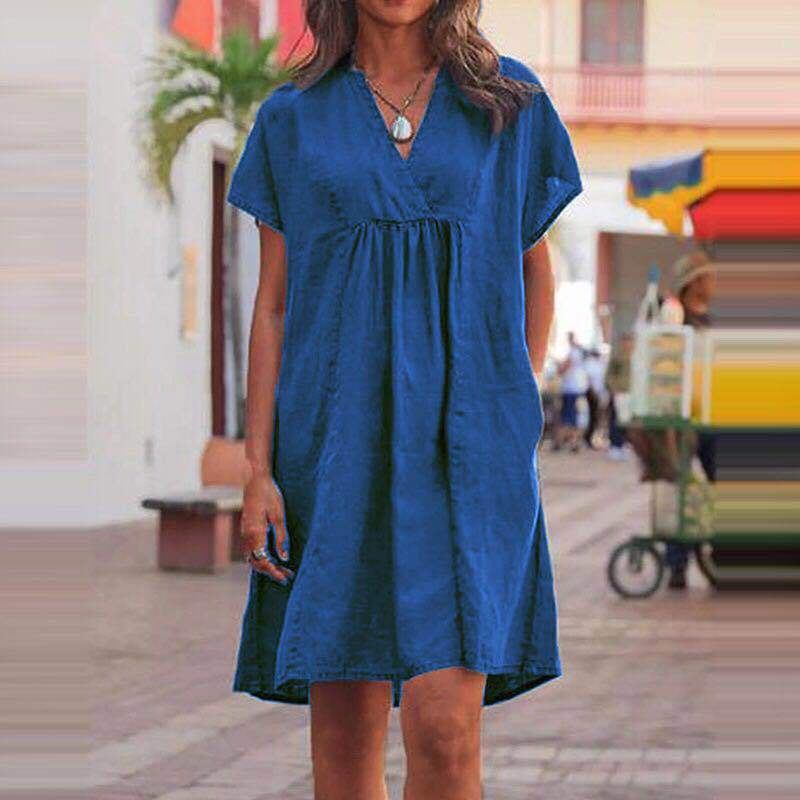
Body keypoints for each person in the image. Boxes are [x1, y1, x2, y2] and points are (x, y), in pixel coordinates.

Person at [225, 2, 583, 798]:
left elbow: (534, 268)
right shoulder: (292, 117)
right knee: (344, 739)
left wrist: (508, 409)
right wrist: (258, 469)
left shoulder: (509, 102)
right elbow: (273, 305)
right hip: (333, 450)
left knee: (446, 731)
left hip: (465, 454)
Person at [554, 331, 588, 452]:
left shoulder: (573, 352)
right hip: (579, 389)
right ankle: (574, 442)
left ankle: (561, 442)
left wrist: (558, 366)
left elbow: (563, 369)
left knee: (567, 416)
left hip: (570, 390)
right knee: (576, 417)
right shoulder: (580, 352)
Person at [605, 331, 633, 459]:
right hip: (619, 393)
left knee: (628, 421)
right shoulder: (617, 358)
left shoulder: (637, 358)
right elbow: (610, 376)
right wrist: (614, 389)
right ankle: (615, 445)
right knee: (616, 419)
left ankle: (625, 444)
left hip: (632, 394)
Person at [583, 348, 606, 449]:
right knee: (592, 417)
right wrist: (594, 393)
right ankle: (588, 438)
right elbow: (589, 379)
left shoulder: (596, 364)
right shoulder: (591, 364)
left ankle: (591, 438)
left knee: (595, 417)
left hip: (596, 394)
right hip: (591, 394)